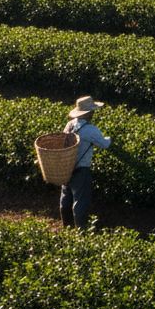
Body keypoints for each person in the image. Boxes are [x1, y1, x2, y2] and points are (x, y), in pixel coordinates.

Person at [59, 95, 112, 229]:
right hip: (81, 170)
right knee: (80, 200)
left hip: (67, 167)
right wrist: (110, 138)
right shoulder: (90, 130)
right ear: (88, 113)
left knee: (66, 197)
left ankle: (67, 226)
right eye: (92, 110)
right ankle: (80, 229)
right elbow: (104, 144)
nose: (94, 113)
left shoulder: (70, 125)